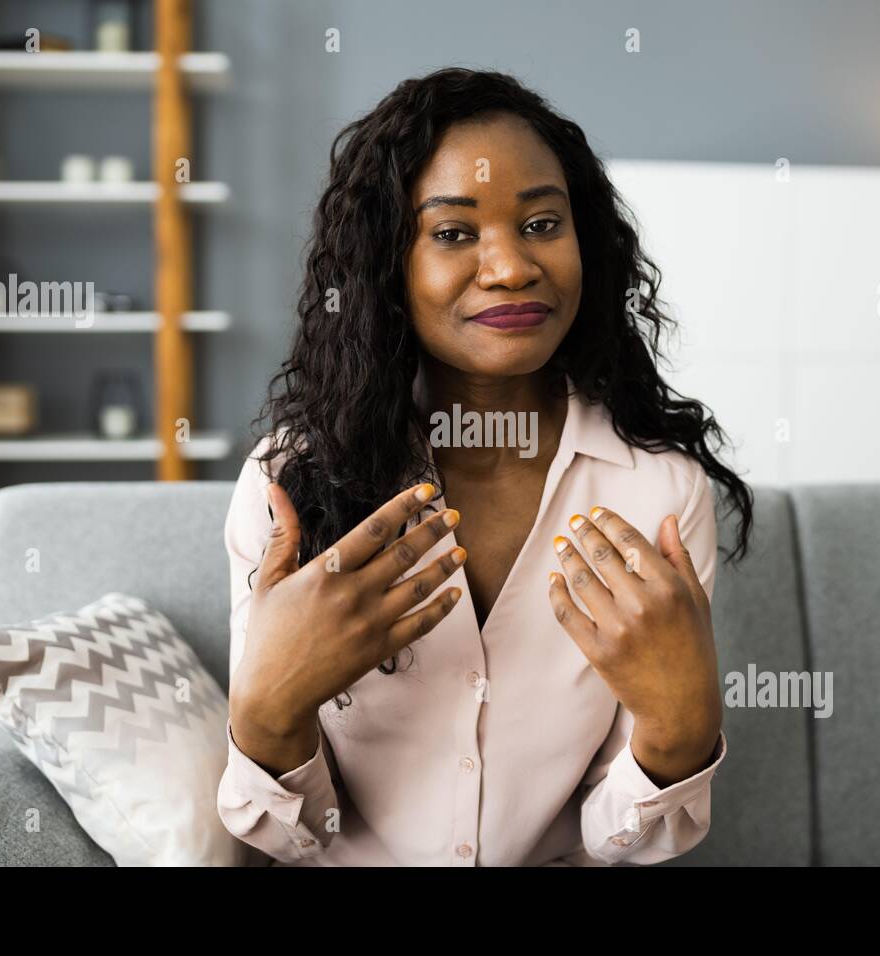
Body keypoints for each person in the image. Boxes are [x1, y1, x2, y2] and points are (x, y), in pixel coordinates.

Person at [218, 67, 754, 866]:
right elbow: (293, 836)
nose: (510, 268)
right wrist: (268, 709)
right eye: (454, 233)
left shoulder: (659, 492)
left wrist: (680, 729)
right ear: (386, 265)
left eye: (542, 224)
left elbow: (621, 840)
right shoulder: (290, 485)